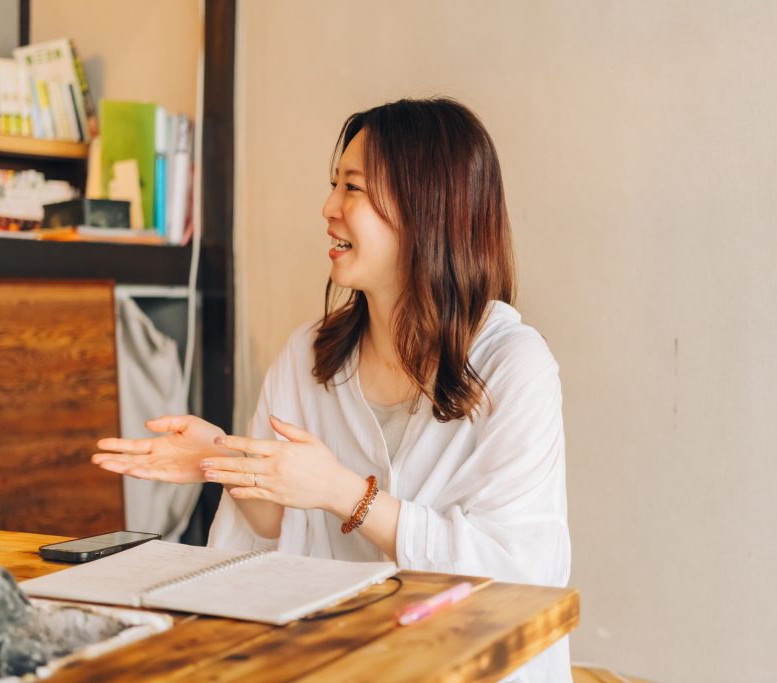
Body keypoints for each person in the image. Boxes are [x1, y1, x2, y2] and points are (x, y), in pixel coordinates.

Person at [92, 97, 571, 682]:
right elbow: (274, 531)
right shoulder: (307, 356)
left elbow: (516, 574)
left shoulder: (513, 367)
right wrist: (225, 460)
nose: (328, 208)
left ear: (429, 209)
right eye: (334, 185)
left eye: (354, 188)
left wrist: (345, 494)